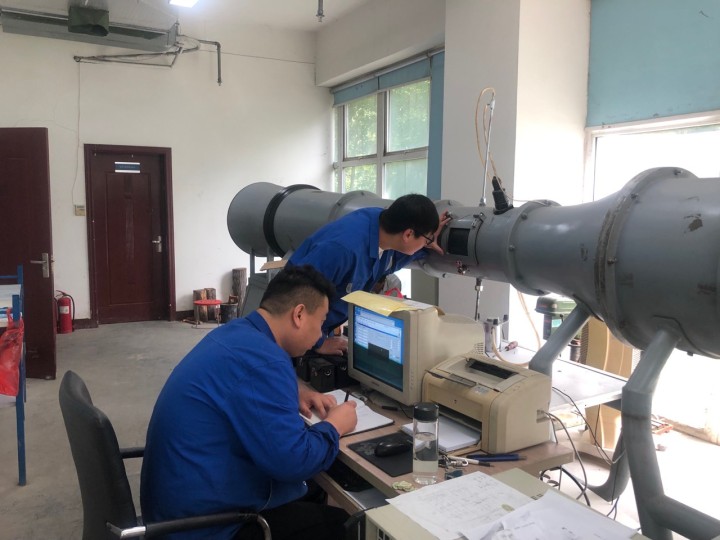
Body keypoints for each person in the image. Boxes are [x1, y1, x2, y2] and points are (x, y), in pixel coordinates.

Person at [140, 265, 358, 540]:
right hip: (205, 528)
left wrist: (294, 391)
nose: (319, 336)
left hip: (175, 509)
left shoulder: (238, 333)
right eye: (321, 323)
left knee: (313, 492)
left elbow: (241, 383)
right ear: (299, 314)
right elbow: (294, 462)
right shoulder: (265, 361)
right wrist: (336, 425)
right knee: (348, 525)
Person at [288, 193, 450, 355]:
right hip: (294, 333)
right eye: (427, 239)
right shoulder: (343, 250)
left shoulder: (382, 228)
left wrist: (428, 244)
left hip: (318, 327)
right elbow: (296, 297)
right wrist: (318, 343)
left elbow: (391, 261)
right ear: (408, 234)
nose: (428, 243)